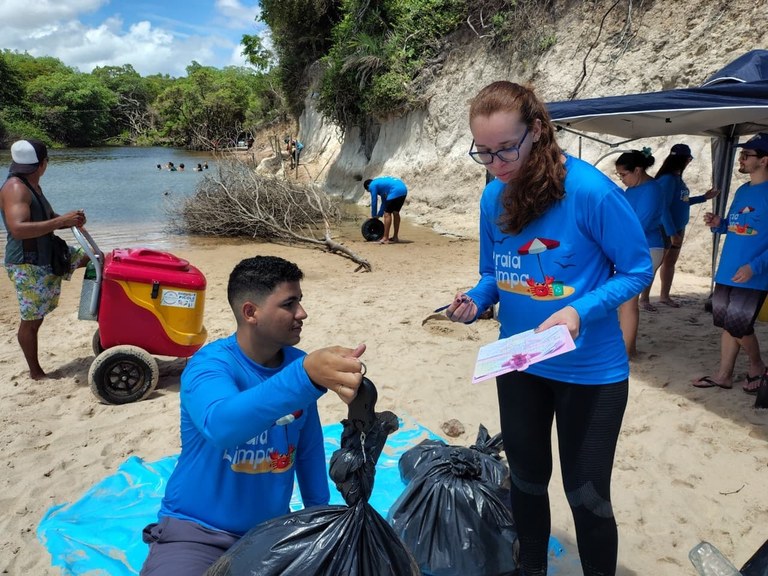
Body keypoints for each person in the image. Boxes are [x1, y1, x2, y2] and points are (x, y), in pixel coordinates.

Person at [444, 81, 652, 576]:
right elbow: (494, 273)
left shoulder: (589, 191)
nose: (497, 164)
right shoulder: (493, 197)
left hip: (591, 373)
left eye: (507, 148)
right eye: (485, 153)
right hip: (519, 363)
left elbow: (637, 269)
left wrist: (582, 309)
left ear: (537, 131)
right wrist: (475, 300)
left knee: (587, 496)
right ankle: (531, 567)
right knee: (527, 482)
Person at [139, 255, 367, 575]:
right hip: (196, 533)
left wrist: (321, 523)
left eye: (299, 301)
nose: (302, 313)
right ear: (251, 312)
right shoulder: (209, 366)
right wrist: (305, 377)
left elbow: (309, 451)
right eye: (289, 304)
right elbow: (221, 425)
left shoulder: (296, 365)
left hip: (269, 535)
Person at [0, 139, 88, 380]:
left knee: (97, 259)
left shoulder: (32, 184)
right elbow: (18, 229)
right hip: (28, 264)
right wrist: (61, 222)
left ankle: (99, 311)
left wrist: (68, 219)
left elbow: (46, 217)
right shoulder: (16, 188)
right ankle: (36, 373)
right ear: (43, 164)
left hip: (49, 252)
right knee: (32, 320)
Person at [693, 133, 768, 393]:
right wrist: (719, 224)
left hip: (753, 274)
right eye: (741, 154)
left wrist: (753, 267)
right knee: (727, 324)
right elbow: (737, 226)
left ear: (765, 160)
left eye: (747, 155)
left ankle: (757, 366)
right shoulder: (742, 190)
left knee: (738, 324)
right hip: (727, 270)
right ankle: (724, 375)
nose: (742, 159)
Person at [639, 143, 719, 310]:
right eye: (688, 158)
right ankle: (644, 299)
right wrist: (672, 232)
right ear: (682, 160)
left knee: (669, 262)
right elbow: (663, 208)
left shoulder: (676, 178)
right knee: (655, 264)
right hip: (666, 228)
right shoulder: (668, 179)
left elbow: (681, 202)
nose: (689, 161)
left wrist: (703, 198)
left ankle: (664, 296)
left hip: (676, 227)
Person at [614, 148, 666, 357]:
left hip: (648, 248)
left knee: (628, 300)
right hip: (633, 248)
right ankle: (624, 347)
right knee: (625, 300)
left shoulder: (652, 189)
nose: (622, 179)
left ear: (637, 170)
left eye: (624, 175)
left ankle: (627, 350)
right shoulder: (632, 190)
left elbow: (638, 225)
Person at [364, 176, 408, 244]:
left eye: (369, 191)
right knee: (395, 212)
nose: (370, 191)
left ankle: (385, 238)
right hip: (403, 190)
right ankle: (395, 237)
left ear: (368, 186)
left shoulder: (372, 185)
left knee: (387, 214)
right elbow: (384, 202)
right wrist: (378, 215)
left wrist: (373, 216)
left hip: (395, 190)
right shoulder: (380, 184)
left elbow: (374, 201)